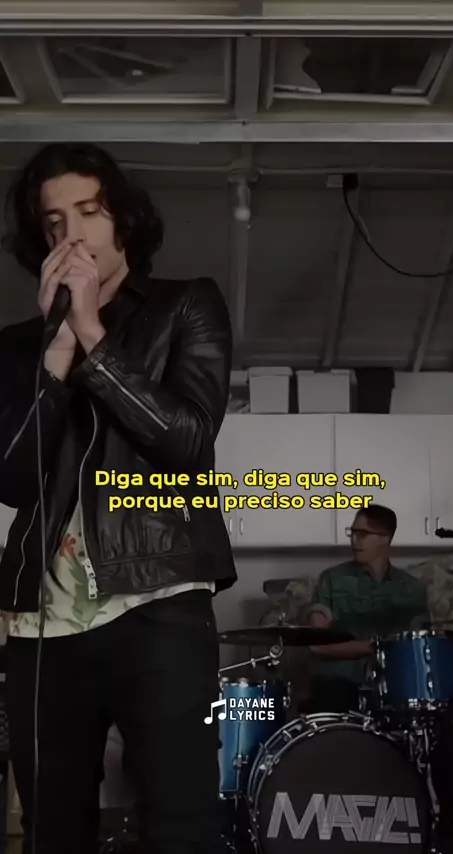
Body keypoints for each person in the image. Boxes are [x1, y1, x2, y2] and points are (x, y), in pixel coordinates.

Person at [0, 142, 236, 854]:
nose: (71, 236)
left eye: (89, 212)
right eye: (54, 223)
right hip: (43, 622)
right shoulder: (17, 345)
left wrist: (93, 336)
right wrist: (56, 354)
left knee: (181, 826)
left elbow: (186, 444)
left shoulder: (186, 304)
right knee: (52, 831)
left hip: (158, 601)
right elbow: (12, 479)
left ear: (124, 219)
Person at [305, 504, 453, 848]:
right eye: (353, 532)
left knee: (445, 710)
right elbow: (316, 643)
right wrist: (371, 646)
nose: (354, 540)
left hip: (394, 687)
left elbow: (420, 645)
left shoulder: (411, 589)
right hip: (342, 683)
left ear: (386, 538)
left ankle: (450, 813)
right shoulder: (332, 580)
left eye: (363, 533)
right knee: (330, 696)